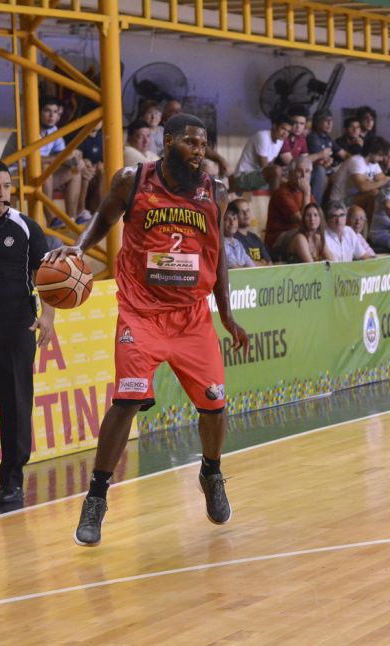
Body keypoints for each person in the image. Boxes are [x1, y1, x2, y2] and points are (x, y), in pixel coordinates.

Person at [44, 114, 249, 546]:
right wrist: (79, 247)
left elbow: (218, 258)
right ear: (167, 141)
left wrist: (227, 315)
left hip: (191, 316)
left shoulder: (215, 191)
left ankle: (211, 473)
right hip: (141, 313)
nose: (198, 152)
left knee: (214, 404)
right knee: (126, 401)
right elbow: (104, 219)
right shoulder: (131, 180)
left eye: (203, 144)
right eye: (191, 143)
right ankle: (96, 497)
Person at [0, 159, 56, 509]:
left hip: (16, 326)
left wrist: (48, 316)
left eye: (7, 186)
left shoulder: (25, 226)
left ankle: (11, 481)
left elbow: (48, 274)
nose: (3, 193)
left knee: (14, 404)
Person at [1, 96, 84, 227]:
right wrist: (64, 157)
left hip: (38, 178)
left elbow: (63, 157)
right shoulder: (27, 129)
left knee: (75, 172)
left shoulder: (53, 130)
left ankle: (71, 219)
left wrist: (76, 161)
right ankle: (51, 219)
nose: (52, 116)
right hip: (14, 176)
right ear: (38, 112)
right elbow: (32, 159)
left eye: (55, 112)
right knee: (45, 167)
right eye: (47, 111)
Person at [327, 136, 390, 208]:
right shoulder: (357, 161)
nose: (381, 159)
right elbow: (363, 187)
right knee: (373, 193)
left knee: (385, 195)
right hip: (338, 202)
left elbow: (384, 180)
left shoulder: (373, 164)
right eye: (380, 155)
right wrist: (383, 182)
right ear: (371, 153)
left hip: (354, 199)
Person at [231, 114, 291, 192]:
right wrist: (281, 178)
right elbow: (265, 167)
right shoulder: (263, 136)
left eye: (288, 131)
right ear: (275, 126)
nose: (285, 133)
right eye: (283, 128)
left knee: (291, 178)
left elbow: (270, 164)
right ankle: (275, 199)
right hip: (243, 177)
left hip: (258, 178)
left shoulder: (280, 141)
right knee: (276, 170)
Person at [265, 157, 313, 252]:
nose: (304, 175)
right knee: (304, 235)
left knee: (320, 234)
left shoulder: (306, 192)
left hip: (298, 234)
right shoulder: (282, 192)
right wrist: (307, 194)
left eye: (307, 171)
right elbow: (303, 223)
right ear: (290, 174)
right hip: (277, 239)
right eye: (299, 171)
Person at [307, 109, 348, 202]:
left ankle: (339, 205)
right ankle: (315, 204)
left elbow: (344, 154)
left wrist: (357, 160)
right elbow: (321, 162)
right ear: (317, 123)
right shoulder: (313, 137)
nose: (330, 123)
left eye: (331, 120)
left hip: (328, 169)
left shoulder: (328, 138)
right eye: (326, 120)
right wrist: (327, 161)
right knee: (321, 172)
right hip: (316, 170)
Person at [230, 199, 271, 266]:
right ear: (234, 215)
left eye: (247, 210)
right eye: (242, 211)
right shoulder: (233, 238)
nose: (246, 214)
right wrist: (262, 263)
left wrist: (261, 264)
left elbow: (269, 263)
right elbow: (245, 264)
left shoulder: (255, 238)